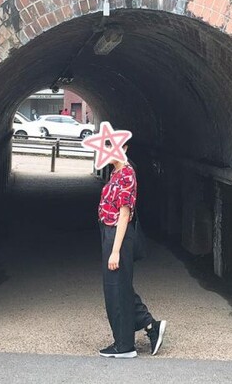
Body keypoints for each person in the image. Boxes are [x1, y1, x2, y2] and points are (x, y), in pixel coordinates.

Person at [97, 140, 166, 358]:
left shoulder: (127, 174)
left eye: (110, 147)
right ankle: (150, 326)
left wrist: (115, 250)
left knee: (117, 288)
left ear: (124, 148)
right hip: (110, 233)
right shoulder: (116, 172)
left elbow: (124, 214)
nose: (106, 152)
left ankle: (125, 345)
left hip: (118, 235)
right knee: (119, 287)